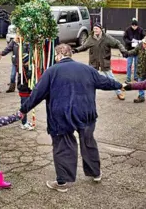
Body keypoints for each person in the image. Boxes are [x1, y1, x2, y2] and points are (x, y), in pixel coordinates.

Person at [20, 44, 124, 193]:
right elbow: (104, 82)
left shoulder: (52, 71)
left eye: (56, 56)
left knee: (63, 146)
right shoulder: (87, 69)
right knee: (88, 142)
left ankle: (63, 181)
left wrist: (23, 110)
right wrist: (121, 85)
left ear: (59, 55)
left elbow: (37, 93)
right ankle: (95, 173)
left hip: (62, 116)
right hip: (86, 112)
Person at [74, 23, 127, 100]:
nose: (95, 30)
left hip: (104, 62)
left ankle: (119, 91)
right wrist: (75, 50)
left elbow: (118, 43)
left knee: (111, 78)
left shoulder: (107, 38)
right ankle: (87, 94)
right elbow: (84, 47)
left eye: (97, 28)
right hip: (93, 62)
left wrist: (123, 50)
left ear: (101, 29)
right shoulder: (90, 38)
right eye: (94, 28)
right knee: (89, 78)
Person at [123, 18, 145, 83]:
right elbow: (124, 38)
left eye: (135, 26)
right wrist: (130, 42)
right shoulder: (128, 30)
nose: (134, 27)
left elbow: (144, 36)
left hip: (138, 50)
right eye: (133, 26)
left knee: (136, 64)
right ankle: (128, 78)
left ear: (137, 25)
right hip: (130, 49)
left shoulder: (141, 30)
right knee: (129, 64)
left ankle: (136, 77)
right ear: (131, 25)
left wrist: (140, 41)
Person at [0, 27, 21, 93]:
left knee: (21, 77)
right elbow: (8, 49)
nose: (18, 34)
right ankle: (12, 88)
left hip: (23, 63)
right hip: (15, 62)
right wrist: (1, 54)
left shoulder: (25, 42)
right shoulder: (14, 42)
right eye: (18, 33)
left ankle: (22, 88)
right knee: (12, 75)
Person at [17, 53, 34, 130]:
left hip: (27, 90)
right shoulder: (22, 69)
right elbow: (23, 81)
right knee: (24, 107)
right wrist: (28, 75)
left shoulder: (27, 67)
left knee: (27, 106)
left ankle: (25, 121)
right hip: (23, 91)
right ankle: (23, 123)